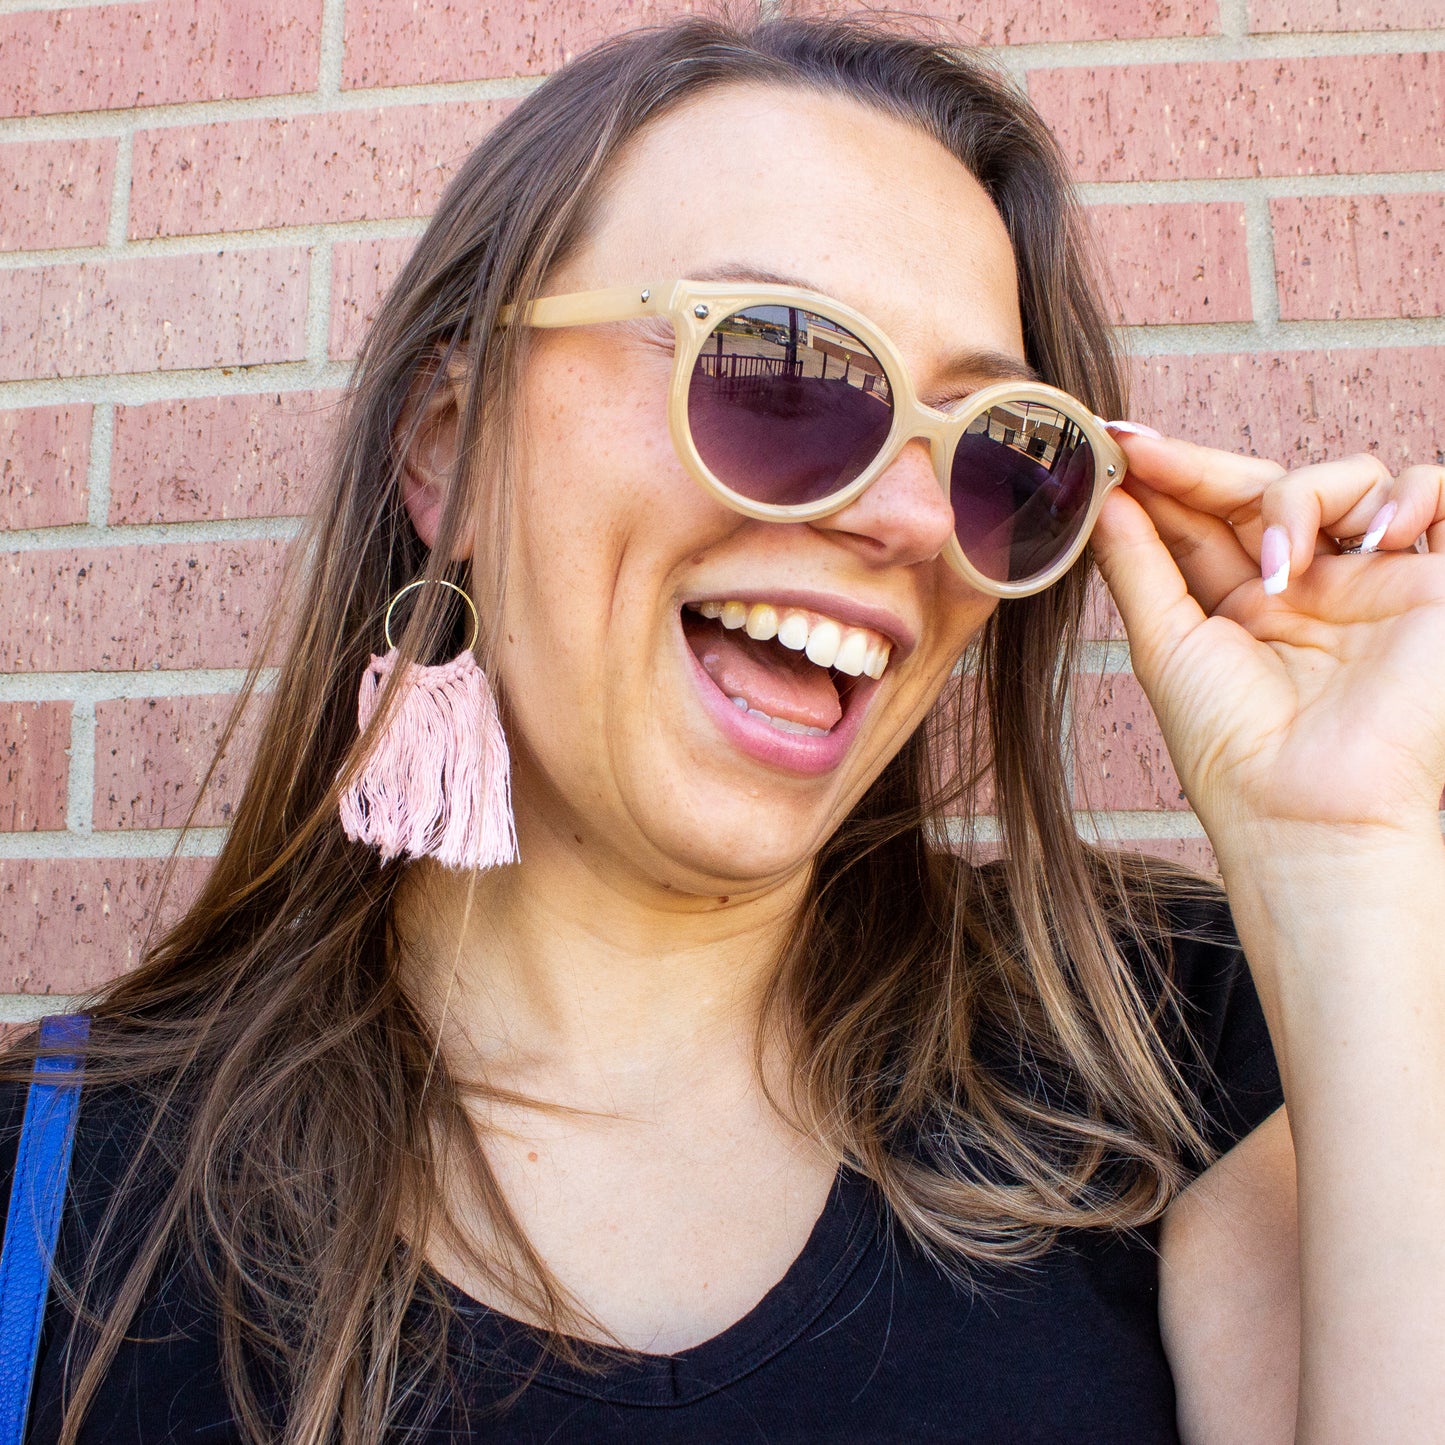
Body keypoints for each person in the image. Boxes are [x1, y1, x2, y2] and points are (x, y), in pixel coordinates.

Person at [3, 14, 1443, 1444]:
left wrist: (1345, 855)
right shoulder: (51, 1197)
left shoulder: (1164, 1054)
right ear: (451, 445)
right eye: (781, 369)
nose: (902, 516)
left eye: (993, 446)